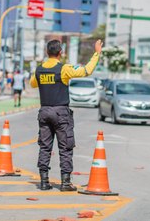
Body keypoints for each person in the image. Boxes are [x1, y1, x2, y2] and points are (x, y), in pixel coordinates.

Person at [30, 39, 103, 191]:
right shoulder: (64, 69)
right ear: (60, 53)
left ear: (46, 52)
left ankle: (44, 181)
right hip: (61, 112)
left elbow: (33, 83)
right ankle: (65, 182)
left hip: (44, 111)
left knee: (45, 147)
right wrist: (97, 53)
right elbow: (86, 71)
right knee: (65, 147)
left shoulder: (39, 69)